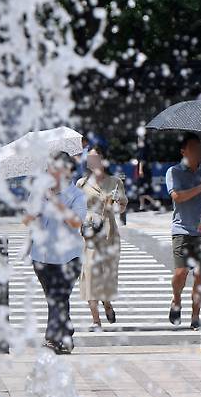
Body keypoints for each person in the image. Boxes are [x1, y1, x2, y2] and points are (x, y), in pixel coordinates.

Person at [24, 151, 86, 355]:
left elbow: (75, 221)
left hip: (69, 257)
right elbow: (26, 220)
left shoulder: (77, 195)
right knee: (55, 298)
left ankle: (51, 339)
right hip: (41, 255)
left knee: (57, 297)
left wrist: (53, 200)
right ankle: (66, 333)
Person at [165, 133, 201, 330]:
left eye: (199, 147)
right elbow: (177, 196)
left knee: (200, 275)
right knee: (181, 272)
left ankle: (195, 316)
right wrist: (200, 187)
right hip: (182, 229)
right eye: (193, 147)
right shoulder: (174, 172)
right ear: (183, 151)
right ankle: (176, 299)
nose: (198, 150)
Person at [76, 146, 127, 331]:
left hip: (109, 232)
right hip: (90, 234)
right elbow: (76, 208)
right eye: (90, 158)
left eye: (96, 157)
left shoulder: (115, 182)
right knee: (89, 275)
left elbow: (121, 208)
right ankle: (95, 320)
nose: (93, 161)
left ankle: (107, 302)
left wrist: (115, 205)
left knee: (107, 275)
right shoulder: (81, 184)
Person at [135, 139, 157, 211]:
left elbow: (141, 160)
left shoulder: (142, 149)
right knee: (141, 189)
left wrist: (140, 170)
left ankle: (154, 203)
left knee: (143, 189)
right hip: (146, 171)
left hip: (143, 171)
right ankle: (142, 206)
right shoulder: (145, 149)